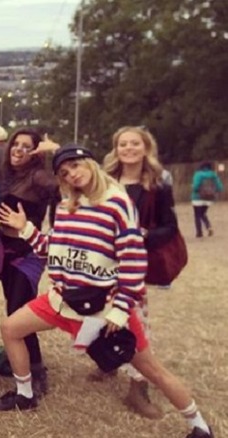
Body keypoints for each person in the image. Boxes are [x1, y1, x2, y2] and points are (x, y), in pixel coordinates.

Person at [0, 145, 214, 438]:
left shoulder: (116, 203)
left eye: (75, 165)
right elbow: (53, 250)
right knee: (10, 328)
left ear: (90, 163)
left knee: (152, 370)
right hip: (63, 300)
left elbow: (134, 261)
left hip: (103, 309)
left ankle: (198, 425)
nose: (71, 173)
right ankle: (24, 394)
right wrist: (26, 230)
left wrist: (121, 308)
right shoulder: (66, 207)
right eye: (64, 172)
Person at [102, 126, 181, 418]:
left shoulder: (157, 185)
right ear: (116, 148)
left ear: (145, 147)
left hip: (134, 263)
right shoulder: (106, 181)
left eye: (135, 143)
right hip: (104, 260)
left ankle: (138, 386)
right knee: (101, 313)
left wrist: (143, 235)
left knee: (136, 321)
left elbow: (169, 226)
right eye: (123, 143)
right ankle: (107, 363)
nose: (129, 148)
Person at [0, 128, 59, 395]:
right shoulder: (9, 175)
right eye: (15, 144)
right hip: (6, 251)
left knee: (21, 315)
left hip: (27, 253)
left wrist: (55, 151)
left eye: (26, 146)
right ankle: (23, 362)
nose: (18, 149)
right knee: (13, 310)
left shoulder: (38, 176)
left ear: (36, 152)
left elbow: (68, 186)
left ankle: (37, 372)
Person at [191, 162, 224, 238]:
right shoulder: (213, 175)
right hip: (209, 198)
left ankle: (199, 233)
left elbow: (196, 186)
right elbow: (220, 187)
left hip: (197, 198)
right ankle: (209, 227)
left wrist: (193, 188)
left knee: (197, 215)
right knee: (203, 213)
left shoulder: (198, 174)